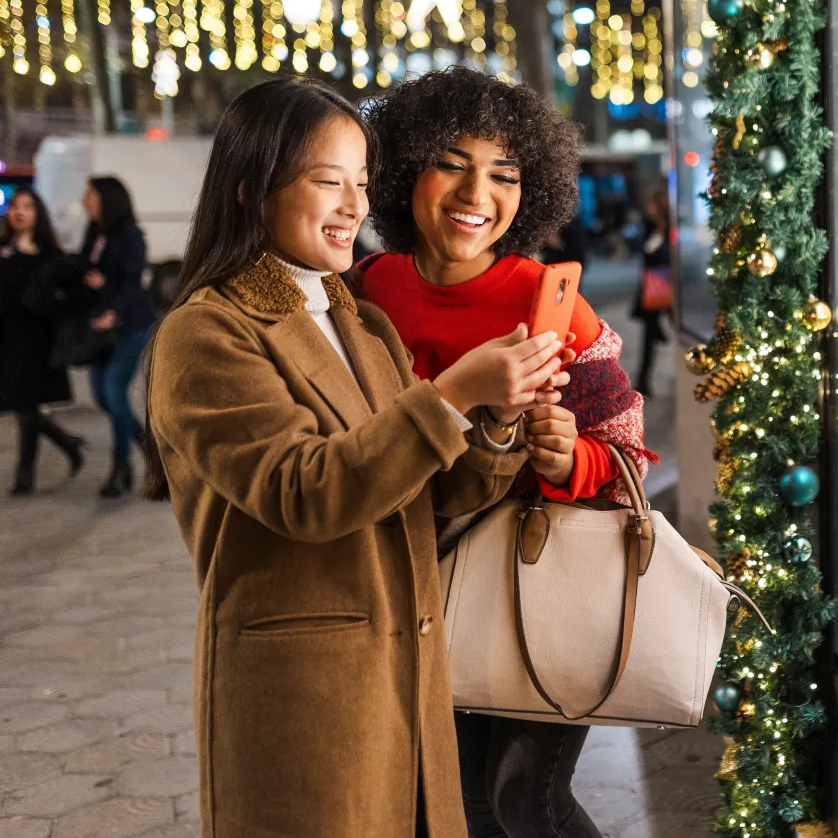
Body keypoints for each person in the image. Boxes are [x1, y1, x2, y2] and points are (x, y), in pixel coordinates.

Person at [142, 78, 572, 838]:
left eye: (362, 184)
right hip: (306, 689)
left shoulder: (359, 320)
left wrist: (498, 420)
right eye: (326, 181)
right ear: (251, 188)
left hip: (408, 669)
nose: (353, 205)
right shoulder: (207, 331)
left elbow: (430, 488)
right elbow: (305, 491)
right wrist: (447, 394)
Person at [357, 66, 655, 838]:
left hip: (537, 591)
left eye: (504, 174)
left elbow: (623, 451)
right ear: (401, 169)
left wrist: (565, 459)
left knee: (527, 797)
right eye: (451, 162)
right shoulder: (362, 292)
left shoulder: (547, 301)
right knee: (453, 804)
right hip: (412, 593)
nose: (475, 194)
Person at [0, 188, 84, 494]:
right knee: (21, 404)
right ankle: (68, 443)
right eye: (15, 207)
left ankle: (25, 476)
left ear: (38, 214)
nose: (19, 212)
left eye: (27, 207)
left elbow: (72, 295)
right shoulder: (3, 249)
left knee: (25, 405)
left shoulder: (51, 256)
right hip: (8, 338)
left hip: (37, 339)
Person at [80, 176, 156, 497]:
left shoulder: (130, 235)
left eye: (90, 195)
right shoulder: (95, 232)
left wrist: (109, 300)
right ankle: (150, 448)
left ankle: (120, 466)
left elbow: (131, 282)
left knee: (114, 391)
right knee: (100, 394)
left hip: (130, 324)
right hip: (100, 328)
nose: (85, 200)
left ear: (107, 199)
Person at [631, 188, 672, 398]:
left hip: (670, 287)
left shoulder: (671, 229)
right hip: (653, 288)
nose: (648, 208)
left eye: (651, 205)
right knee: (648, 335)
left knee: (675, 326)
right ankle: (643, 381)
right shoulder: (648, 227)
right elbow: (645, 254)